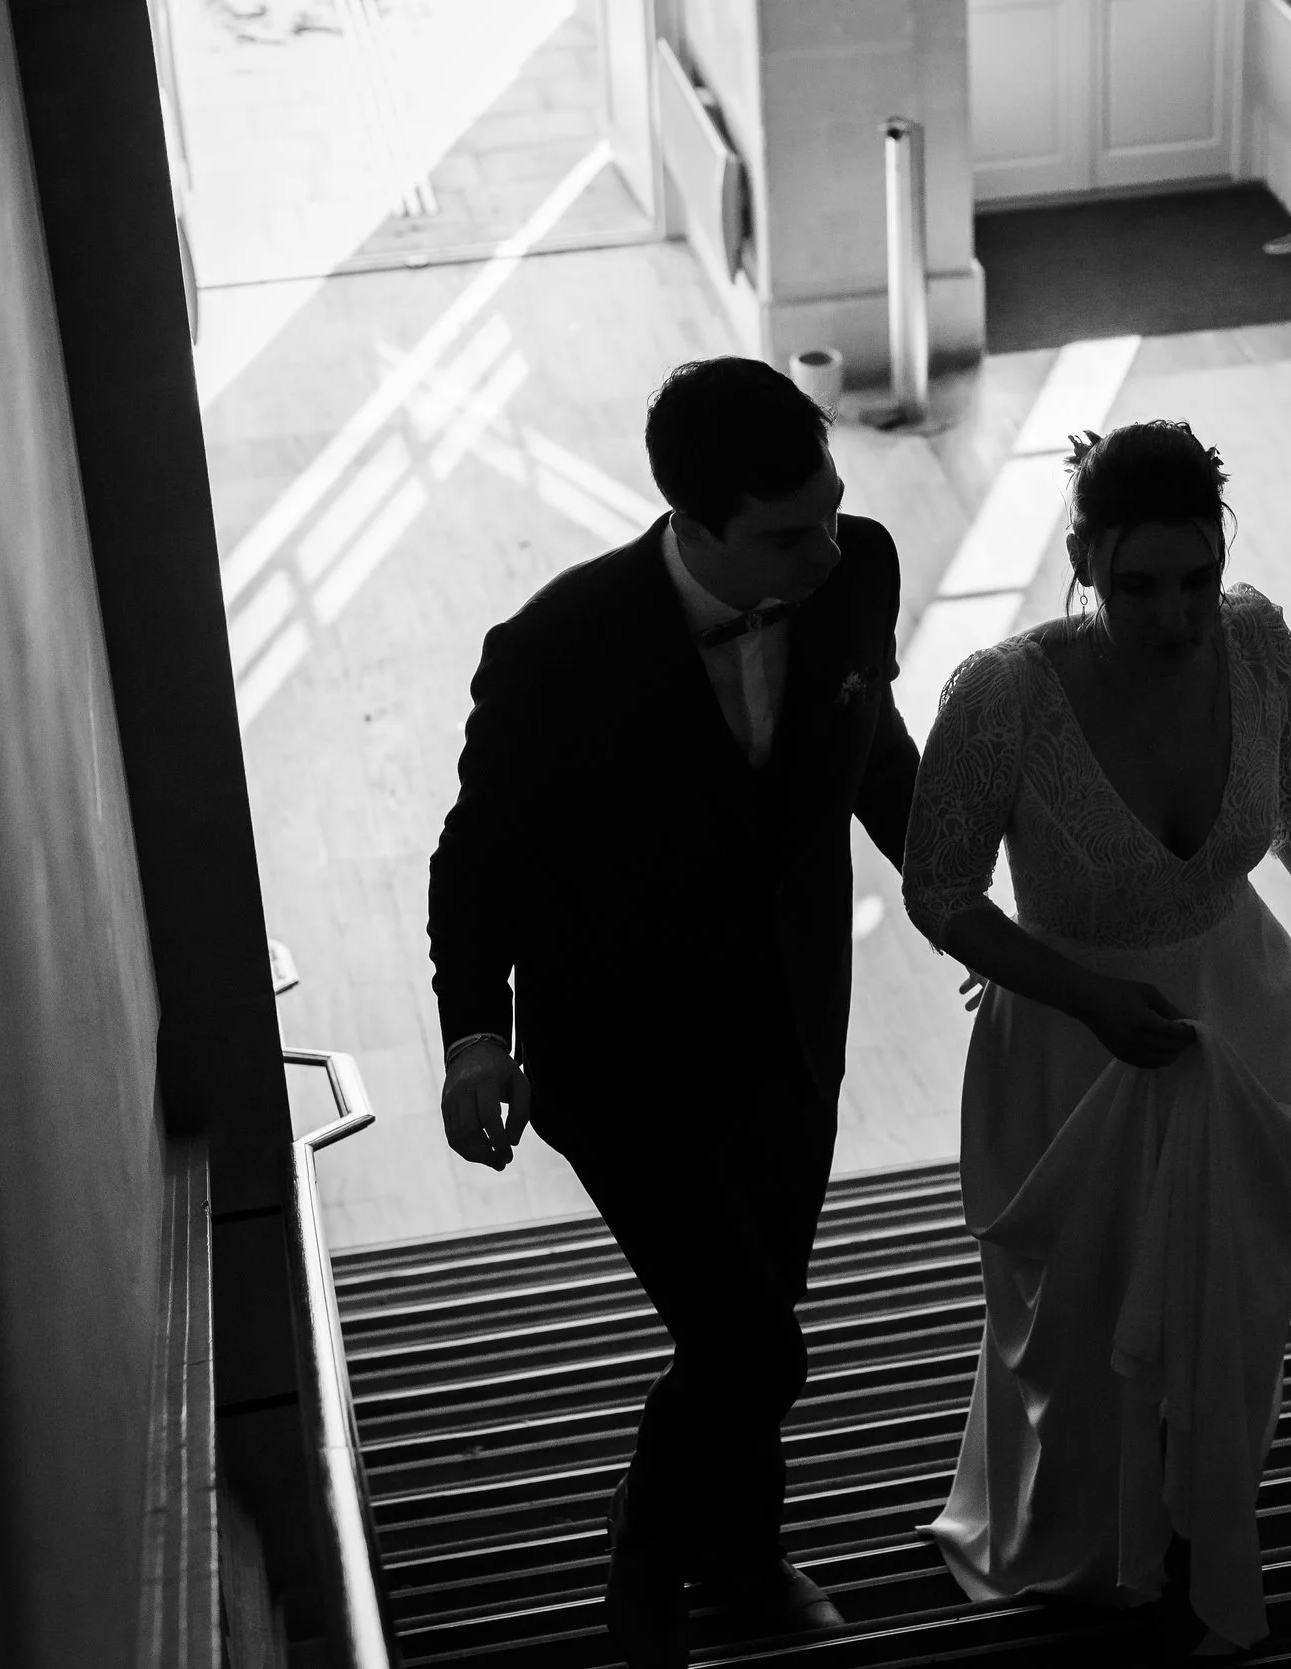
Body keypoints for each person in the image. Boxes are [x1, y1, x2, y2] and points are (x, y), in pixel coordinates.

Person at [902, 422, 1291, 1656]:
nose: (1175, 613)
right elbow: (938, 895)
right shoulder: (1005, 696)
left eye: (1197, 578)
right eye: (1138, 585)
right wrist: (1088, 995)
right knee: (1079, 1323)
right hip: (1069, 1049)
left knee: (1228, 1304)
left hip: (1241, 1019)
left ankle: (1192, 1510)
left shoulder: (1256, 643)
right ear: (1085, 559)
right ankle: (1083, 1543)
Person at [426, 357, 920, 1668]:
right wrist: (476, 1037)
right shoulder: (557, 651)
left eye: (828, 510)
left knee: (755, 1318)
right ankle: (645, 1573)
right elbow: (478, 857)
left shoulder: (856, 568)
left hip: (793, 1027)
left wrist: (968, 894)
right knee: (750, 1337)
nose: (824, 548)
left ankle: (747, 1557)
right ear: (692, 524)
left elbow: (870, 751)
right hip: (624, 1058)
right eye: (784, 532)